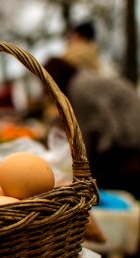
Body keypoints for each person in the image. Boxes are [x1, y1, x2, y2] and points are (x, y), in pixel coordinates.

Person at [43, 57, 140, 199]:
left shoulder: (78, 87)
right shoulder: (80, 81)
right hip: (129, 130)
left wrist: (85, 162)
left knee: (120, 181)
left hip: (129, 134)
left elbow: (93, 126)